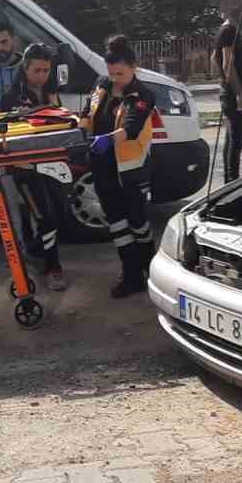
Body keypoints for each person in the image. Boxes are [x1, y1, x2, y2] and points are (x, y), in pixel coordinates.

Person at [81, 35, 156, 298]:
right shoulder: (101, 84)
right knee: (117, 224)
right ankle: (131, 274)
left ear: (134, 67)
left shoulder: (143, 94)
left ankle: (152, 270)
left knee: (138, 223)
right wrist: (78, 131)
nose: (114, 78)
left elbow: (132, 128)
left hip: (131, 170)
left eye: (120, 73)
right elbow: (87, 114)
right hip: (103, 169)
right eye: (111, 73)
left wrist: (107, 140)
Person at [0, 42, 68, 292]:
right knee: (45, 218)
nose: (42, 75)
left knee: (59, 212)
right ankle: (52, 267)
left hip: (52, 163)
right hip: (25, 167)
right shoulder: (11, 96)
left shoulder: (51, 90)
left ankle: (34, 252)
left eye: (46, 70)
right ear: (25, 68)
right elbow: (7, 133)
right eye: (37, 70)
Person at [215, 16, 242, 183]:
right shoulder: (229, 30)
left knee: (231, 139)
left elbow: (214, 59)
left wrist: (222, 80)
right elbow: (227, 63)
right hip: (233, 94)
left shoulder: (225, 29)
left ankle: (228, 181)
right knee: (237, 140)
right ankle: (232, 182)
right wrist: (238, 94)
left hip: (228, 91)